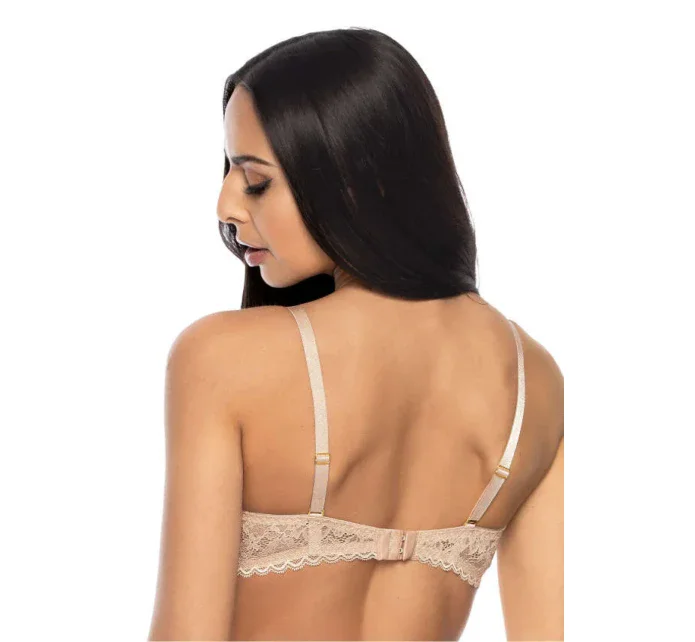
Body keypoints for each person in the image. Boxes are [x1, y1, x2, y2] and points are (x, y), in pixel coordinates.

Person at [148, 27, 564, 641]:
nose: (225, 207)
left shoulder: (221, 359)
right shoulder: (537, 382)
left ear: (354, 176)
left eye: (255, 180)